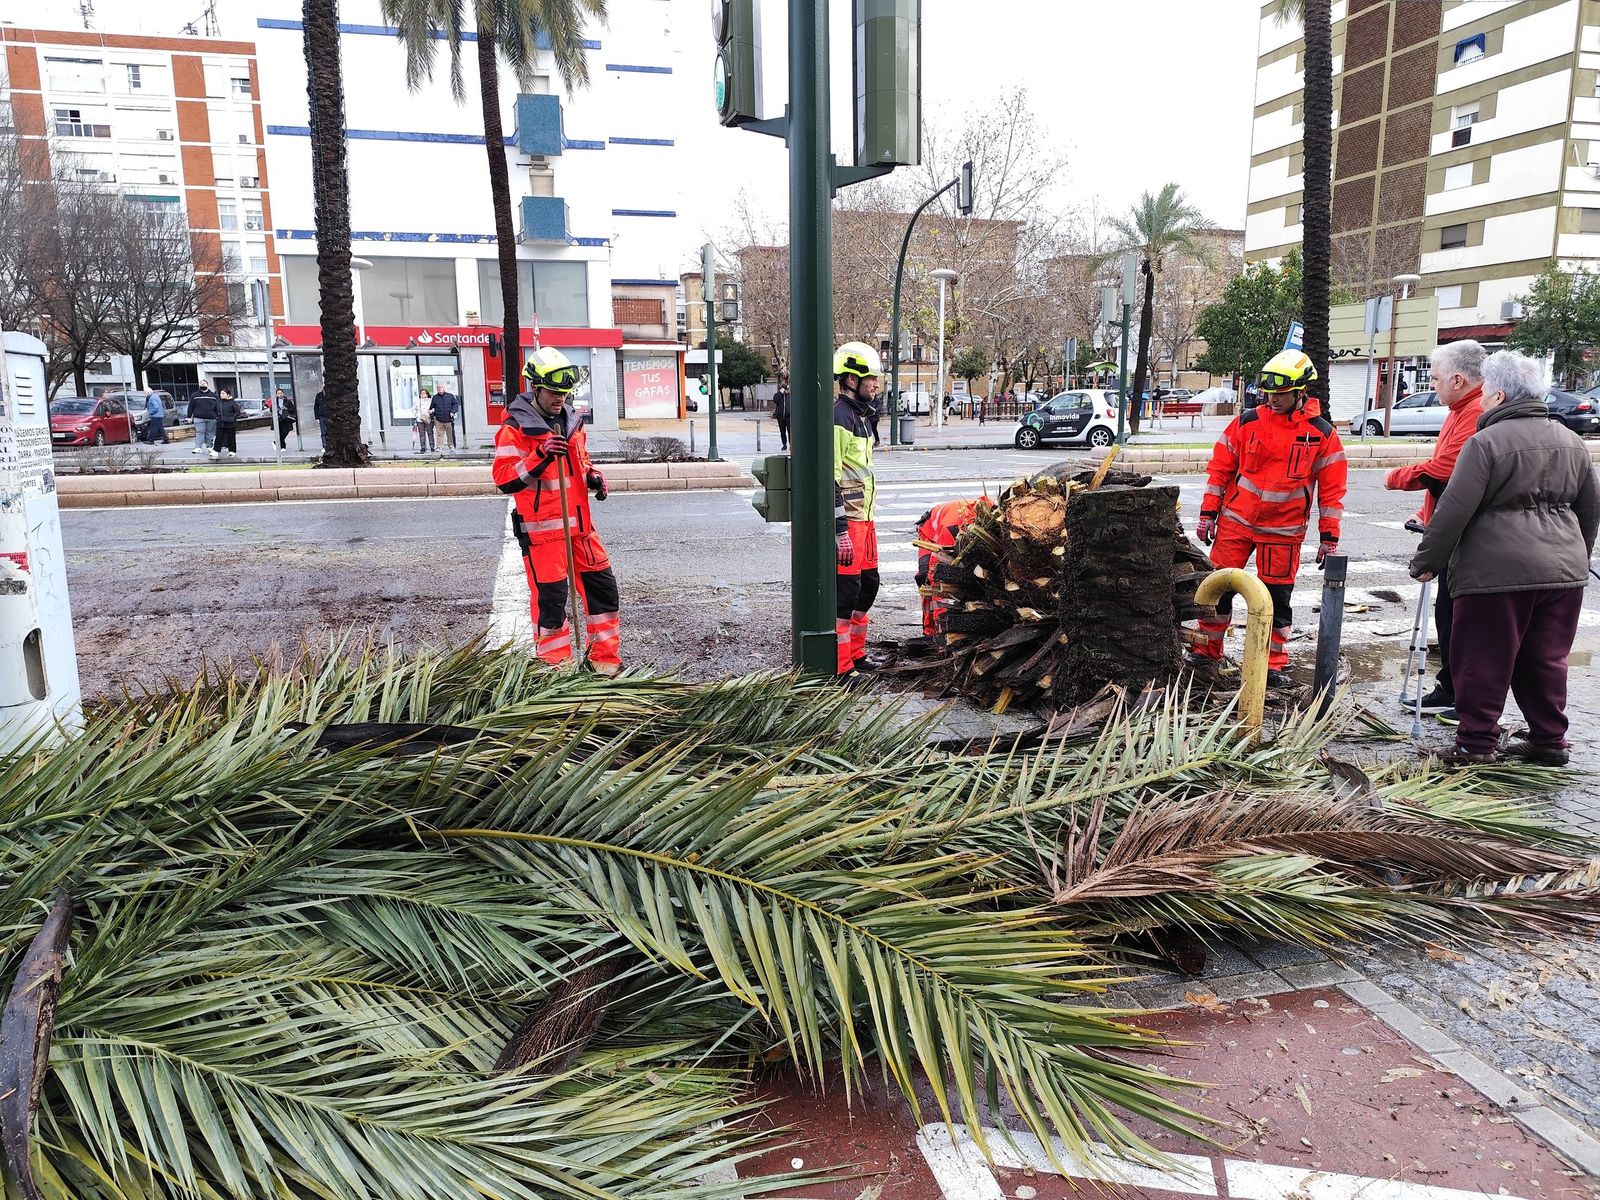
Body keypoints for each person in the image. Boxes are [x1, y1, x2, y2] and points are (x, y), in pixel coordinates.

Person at [1409, 350, 1599, 766]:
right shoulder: (1572, 441)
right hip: (1563, 577)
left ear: (1497, 395)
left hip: (1495, 575)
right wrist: (1574, 559)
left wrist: (1426, 561)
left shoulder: (1486, 442)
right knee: (1546, 659)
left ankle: (1474, 745)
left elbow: (1454, 510)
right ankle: (1550, 740)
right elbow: (1589, 510)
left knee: (1483, 659)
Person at [1193, 349, 1347, 686]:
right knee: (1217, 589)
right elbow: (1220, 469)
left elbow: (1332, 491)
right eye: (1269, 393)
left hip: (1282, 532)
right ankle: (1206, 653)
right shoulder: (1248, 422)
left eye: (1280, 394)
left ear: (1300, 392)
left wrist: (1329, 536)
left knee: (1277, 600)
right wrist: (1208, 513)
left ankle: (1274, 664)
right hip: (1236, 524)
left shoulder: (1321, 434)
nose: (1272, 400)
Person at [491, 347, 620, 674]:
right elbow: (504, 479)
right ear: (535, 388)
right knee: (551, 607)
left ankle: (603, 667)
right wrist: (540, 456)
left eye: (564, 393)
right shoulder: (515, 429)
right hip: (544, 536)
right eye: (553, 392)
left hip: (582, 531)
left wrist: (594, 476)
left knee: (603, 594)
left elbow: (582, 462)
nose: (560, 398)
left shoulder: (572, 423)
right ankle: (554, 671)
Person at [1383, 340, 1486, 718]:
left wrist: (1394, 477)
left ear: (1458, 379)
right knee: (1449, 614)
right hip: (1450, 527)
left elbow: (1444, 469)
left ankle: (1464, 698)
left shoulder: (1475, 411)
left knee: (1457, 617)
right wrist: (1424, 513)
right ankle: (1455, 689)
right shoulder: (1459, 408)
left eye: (1438, 378)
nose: (1433, 384)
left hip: (1465, 538)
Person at [832, 341, 883, 675]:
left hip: (866, 518)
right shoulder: (840, 417)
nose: (876, 385)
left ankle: (857, 654)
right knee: (846, 595)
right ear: (851, 379)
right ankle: (840, 665)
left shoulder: (863, 416)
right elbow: (829, 477)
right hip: (849, 521)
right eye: (871, 379)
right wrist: (839, 532)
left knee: (869, 586)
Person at [915, 497, 978, 636]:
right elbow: (937, 576)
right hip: (929, 534)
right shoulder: (952, 530)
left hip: (953, 519)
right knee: (928, 579)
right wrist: (943, 626)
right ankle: (931, 630)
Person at [189, 381, 218, 455]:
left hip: (211, 418)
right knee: (199, 432)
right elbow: (191, 406)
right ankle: (198, 447)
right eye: (201, 384)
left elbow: (217, 406)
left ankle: (209, 446)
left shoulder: (213, 396)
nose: (202, 385)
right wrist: (189, 417)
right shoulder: (194, 395)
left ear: (207, 385)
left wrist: (218, 416)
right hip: (198, 418)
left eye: (204, 384)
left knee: (210, 433)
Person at [430, 384, 460, 451]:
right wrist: (432, 415)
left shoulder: (450, 396)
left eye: (441, 387)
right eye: (438, 388)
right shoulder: (434, 397)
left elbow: (455, 404)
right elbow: (432, 407)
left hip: (448, 419)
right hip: (438, 419)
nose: (439, 389)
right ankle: (439, 446)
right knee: (439, 434)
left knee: (450, 434)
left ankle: (451, 446)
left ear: (444, 388)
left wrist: (453, 411)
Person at [212, 389, 240, 459]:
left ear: (228, 394)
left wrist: (232, 417)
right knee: (218, 437)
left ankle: (232, 451)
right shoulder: (218, 402)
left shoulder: (232, 402)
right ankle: (216, 451)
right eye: (221, 393)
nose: (221, 395)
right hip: (220, 422)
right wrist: (216, 417)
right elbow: (212, 410)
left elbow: (237, 412)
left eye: (223, 393)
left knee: (231, 437)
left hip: (230, 423)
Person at [772, 380, 791, 451]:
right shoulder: (779, 396)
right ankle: (784, 444)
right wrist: (780, 393)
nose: (785, 390)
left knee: (790, 431)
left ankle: (791, 444)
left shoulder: (790, 396)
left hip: (789, 416)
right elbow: (775, 400)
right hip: (780, 417)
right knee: (782, 431)